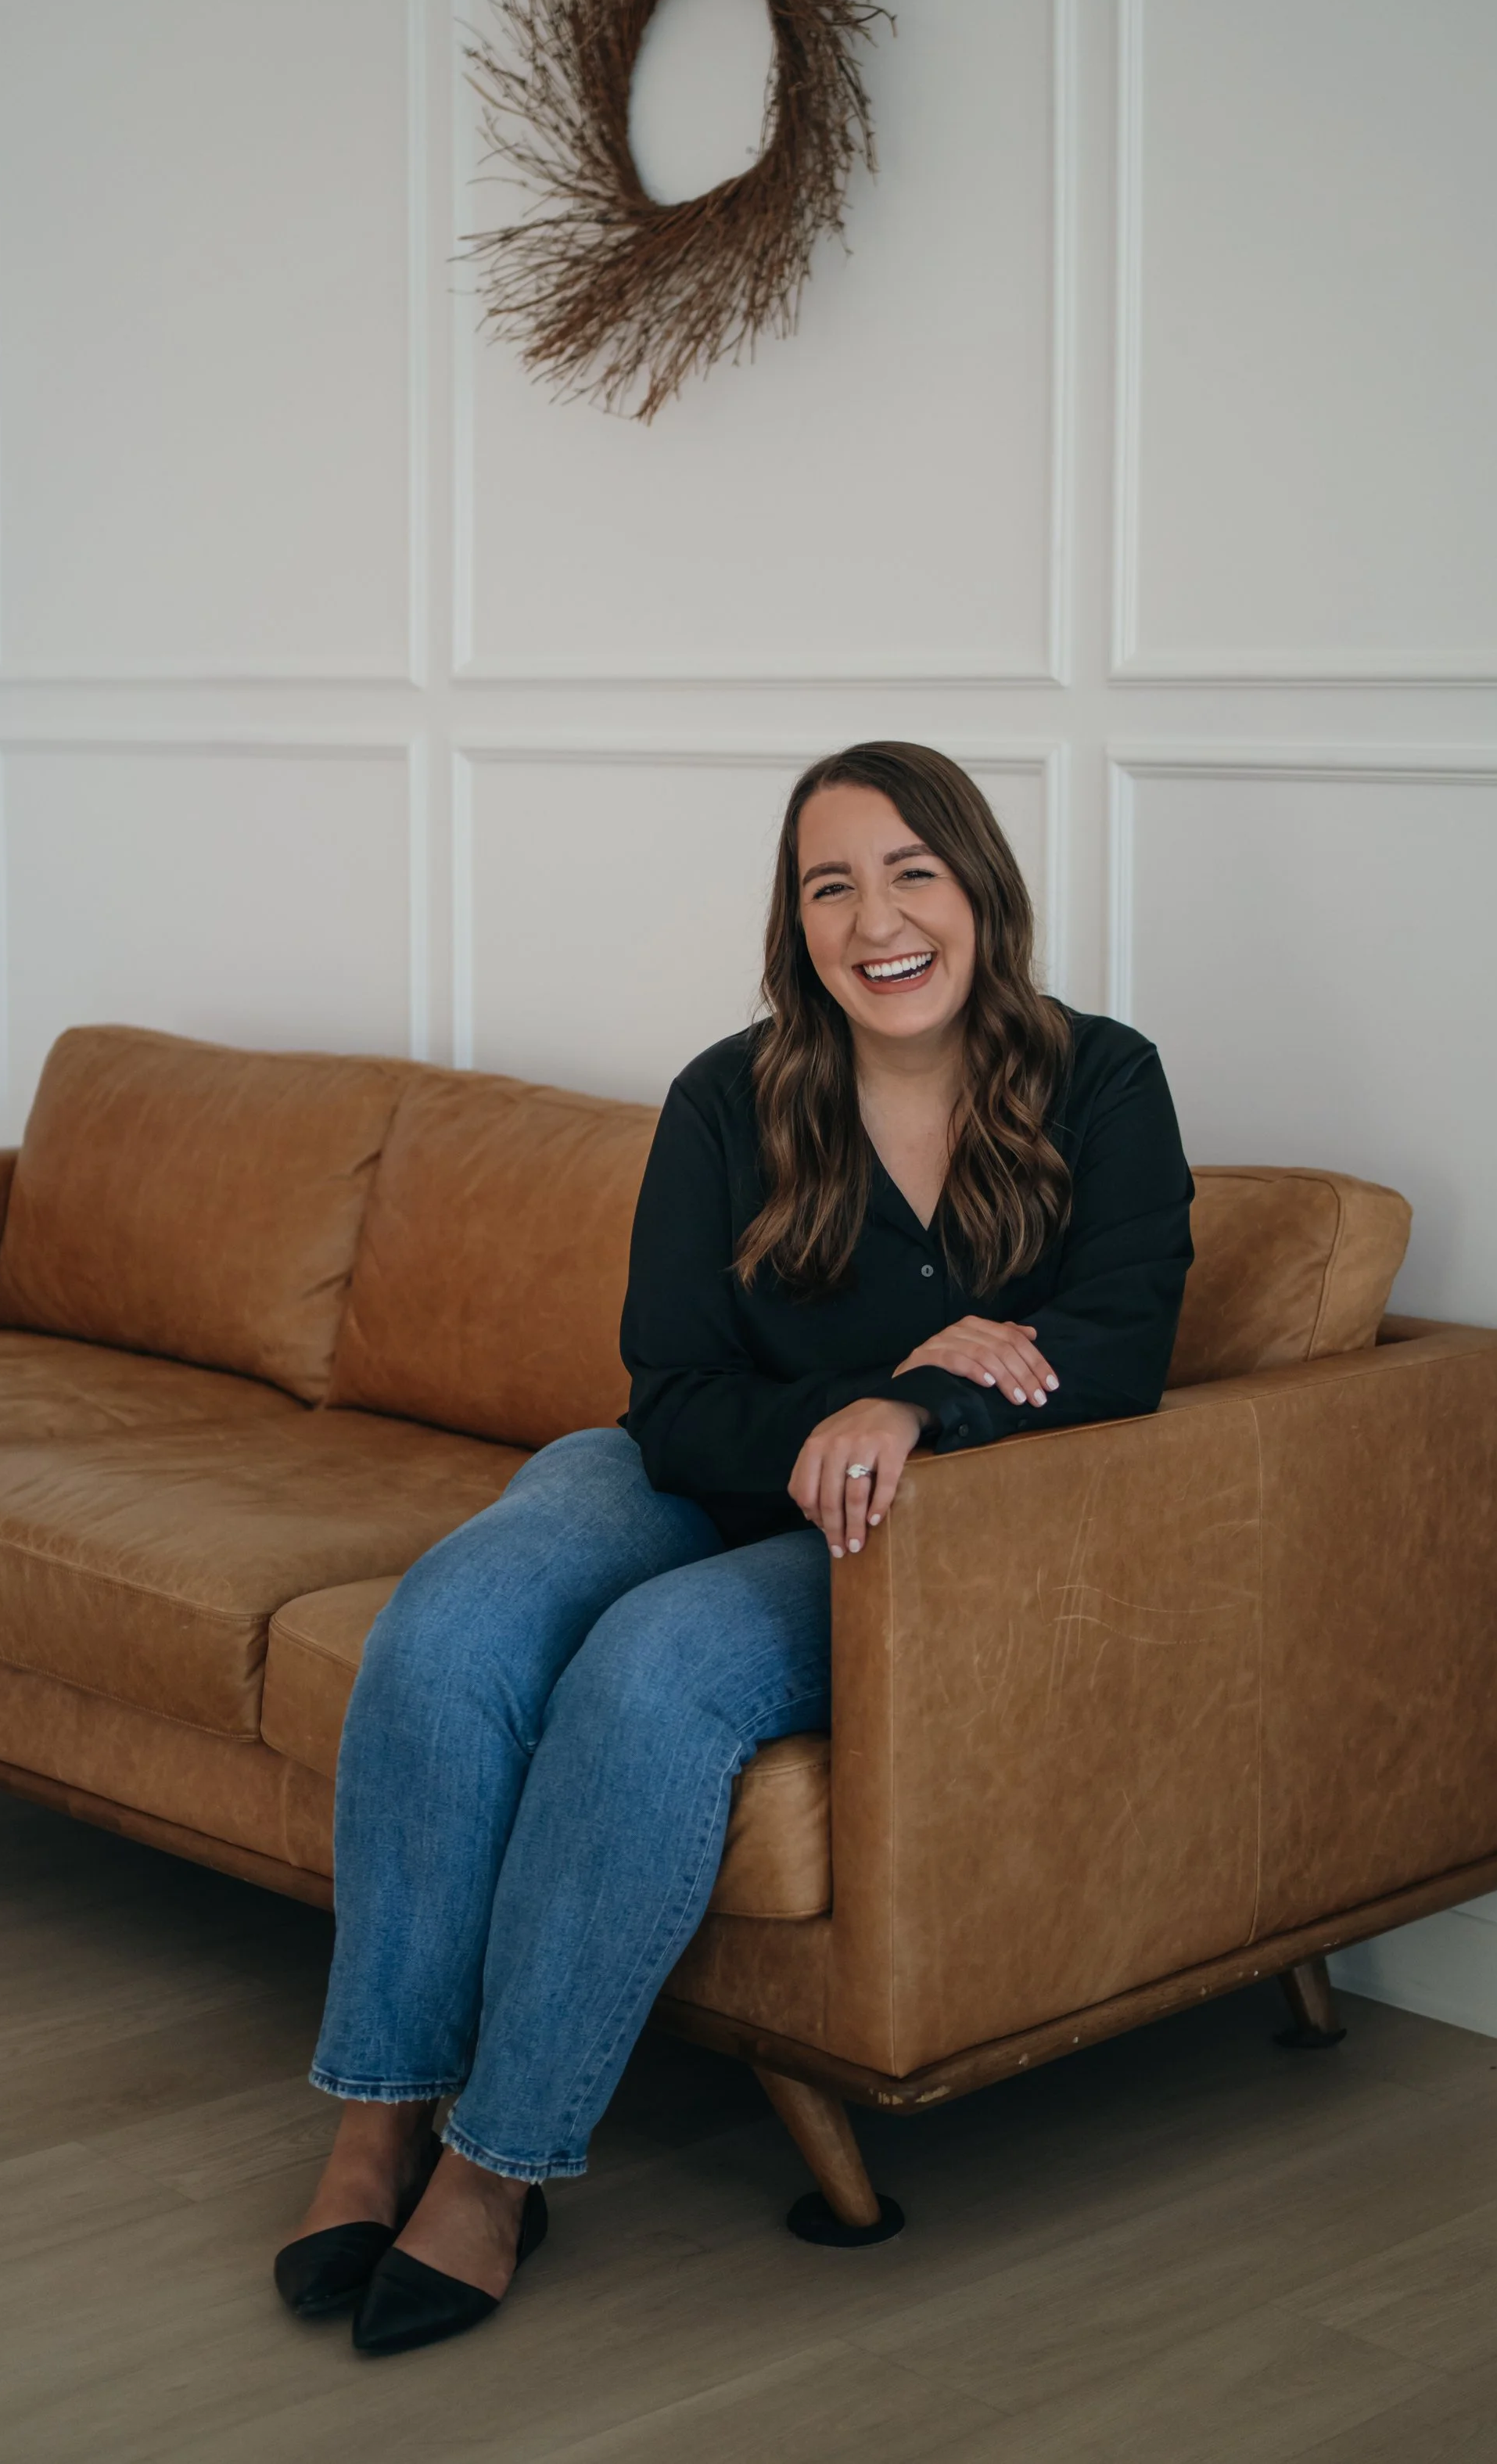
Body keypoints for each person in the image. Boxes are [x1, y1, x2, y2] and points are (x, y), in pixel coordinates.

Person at [274, 741, 1193, 2356]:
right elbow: (675, 1401)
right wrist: (884, 1386)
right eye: (828, 884)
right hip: (690, 1476)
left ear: (979, 887)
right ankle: (377, 2114)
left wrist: (909, 1417)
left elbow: (1109, 1354)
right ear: (794, 921)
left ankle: (499, 2166)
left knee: (648, 1672)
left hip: (900, 1540)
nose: (876, 917)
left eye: (912, 869)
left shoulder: (1100, 1081)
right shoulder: (732, 1095)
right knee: (457, 1618)